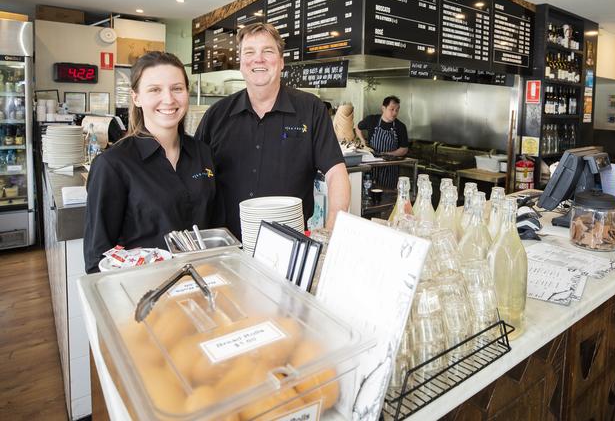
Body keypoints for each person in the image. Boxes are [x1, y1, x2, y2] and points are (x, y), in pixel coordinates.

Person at [196, 23, 350, 239]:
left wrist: (334, 227)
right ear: (241, 63)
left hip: (289, 245)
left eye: (267, 51)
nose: (258, 59)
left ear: (281, 62)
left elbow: (335, 172)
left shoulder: (311, 109)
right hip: (226, 245)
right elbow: (195, 177)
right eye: (249, 52)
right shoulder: (216, 115)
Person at [84, 52, 221, 273]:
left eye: (177, 88)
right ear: (136, 97)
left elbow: (214, 226)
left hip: (200, 283)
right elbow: (97, 259)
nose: (168, 99)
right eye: (154, 89)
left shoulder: (202, 153)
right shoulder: (113, 164)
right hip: (145, 291)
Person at [355, 96, 409, 188]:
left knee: (388, 196)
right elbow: (357, 127)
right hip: (371, 167)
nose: (394, 113)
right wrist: (363, 141)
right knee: (369, 192)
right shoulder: (372, 120)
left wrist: (387, 154)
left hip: (390, 169)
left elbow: (404, 149)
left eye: (397, 110)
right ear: (383, 108)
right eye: (391, 109)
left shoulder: (400, 126)